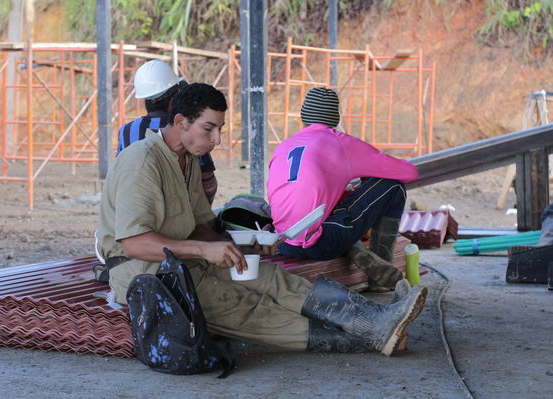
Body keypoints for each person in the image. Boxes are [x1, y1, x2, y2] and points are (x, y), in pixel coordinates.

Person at [96, 82, 427, 356]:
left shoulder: (186, 162)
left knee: (270, 278)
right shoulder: (141, 162)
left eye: (219, 129)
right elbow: (135, 243)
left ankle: (374, 317)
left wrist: (239, 245)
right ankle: (365, 337)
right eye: (208, 128)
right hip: (144, 274)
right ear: (181, 121)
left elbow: (198, 226)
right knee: (244, 307)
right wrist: (203, 251)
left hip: (183, 261)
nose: (216, 140)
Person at [267, 87, 419, 291]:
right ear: (336, 118)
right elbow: (409, 173)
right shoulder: (340, 142)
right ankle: (380, 281)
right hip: (321, 243)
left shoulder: (283, 146)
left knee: (328, 206)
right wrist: (364, 175)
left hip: (282, 243)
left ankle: (367, 261)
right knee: (392, 187)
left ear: (303, 116)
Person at [117, 60, 217, 204]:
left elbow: (120, 177)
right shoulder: (191, 130)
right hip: (182, 217)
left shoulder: (126, 131)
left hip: (137, 212)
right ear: (173, 101)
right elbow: (208, 184)